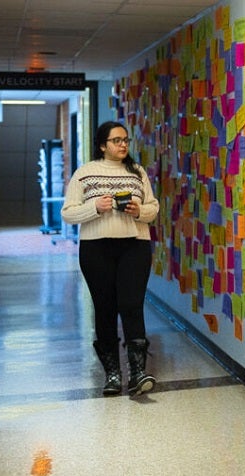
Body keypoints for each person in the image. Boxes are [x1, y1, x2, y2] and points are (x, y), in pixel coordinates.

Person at [62, 121, 159, 397]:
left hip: (135, 246)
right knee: (105, 308)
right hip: (96, 248)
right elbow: (68, 213)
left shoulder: (137, 172)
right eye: (116, 140)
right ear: (102, 145)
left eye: (125, 140)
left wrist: (139, 211)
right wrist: (94, 207)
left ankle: (138, 373)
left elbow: (153, 208)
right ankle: (113, 374)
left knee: (132, 305)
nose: (123, 144)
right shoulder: (85, 173)